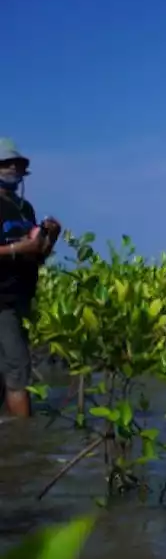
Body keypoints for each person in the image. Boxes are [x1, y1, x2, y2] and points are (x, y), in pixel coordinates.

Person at [0, 138, 61, 418]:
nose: (12, 168)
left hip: (20, 298)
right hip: (1, 302)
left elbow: (38, 257)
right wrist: (16, 248)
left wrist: (50, 238)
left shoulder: (26, 209)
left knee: (9, 371)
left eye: (17, 163)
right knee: (18, 371)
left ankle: (11, 450)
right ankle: (24, 441)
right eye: (5, 163)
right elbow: (20, 250)